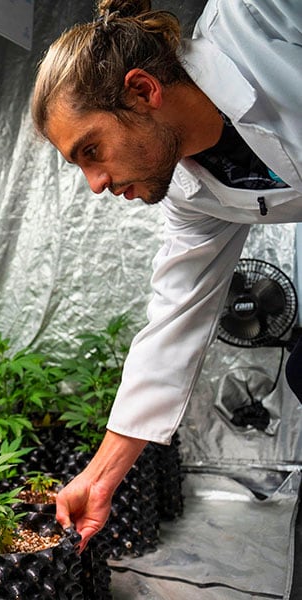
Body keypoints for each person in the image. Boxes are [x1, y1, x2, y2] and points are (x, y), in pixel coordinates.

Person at [30, 0, 302, 551]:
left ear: (143, 91)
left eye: (91, 150)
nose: (96, 184)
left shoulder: (257, 18)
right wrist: (99, 478)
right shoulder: (192, 193)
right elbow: (174, 321)